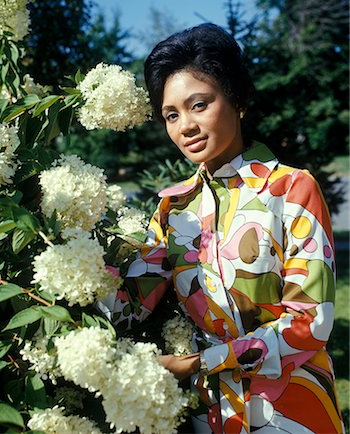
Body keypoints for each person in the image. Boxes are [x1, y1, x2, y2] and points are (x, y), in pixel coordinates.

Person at [98, 23, 344, 433]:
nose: (185, 127)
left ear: (236, 98)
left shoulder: (290, 189)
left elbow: (312, 323)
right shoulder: (173, 209)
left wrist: (200, 363)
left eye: (199, 105)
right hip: (209, 415)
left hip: (293, 408)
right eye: (171, 115)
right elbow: (126, 309)